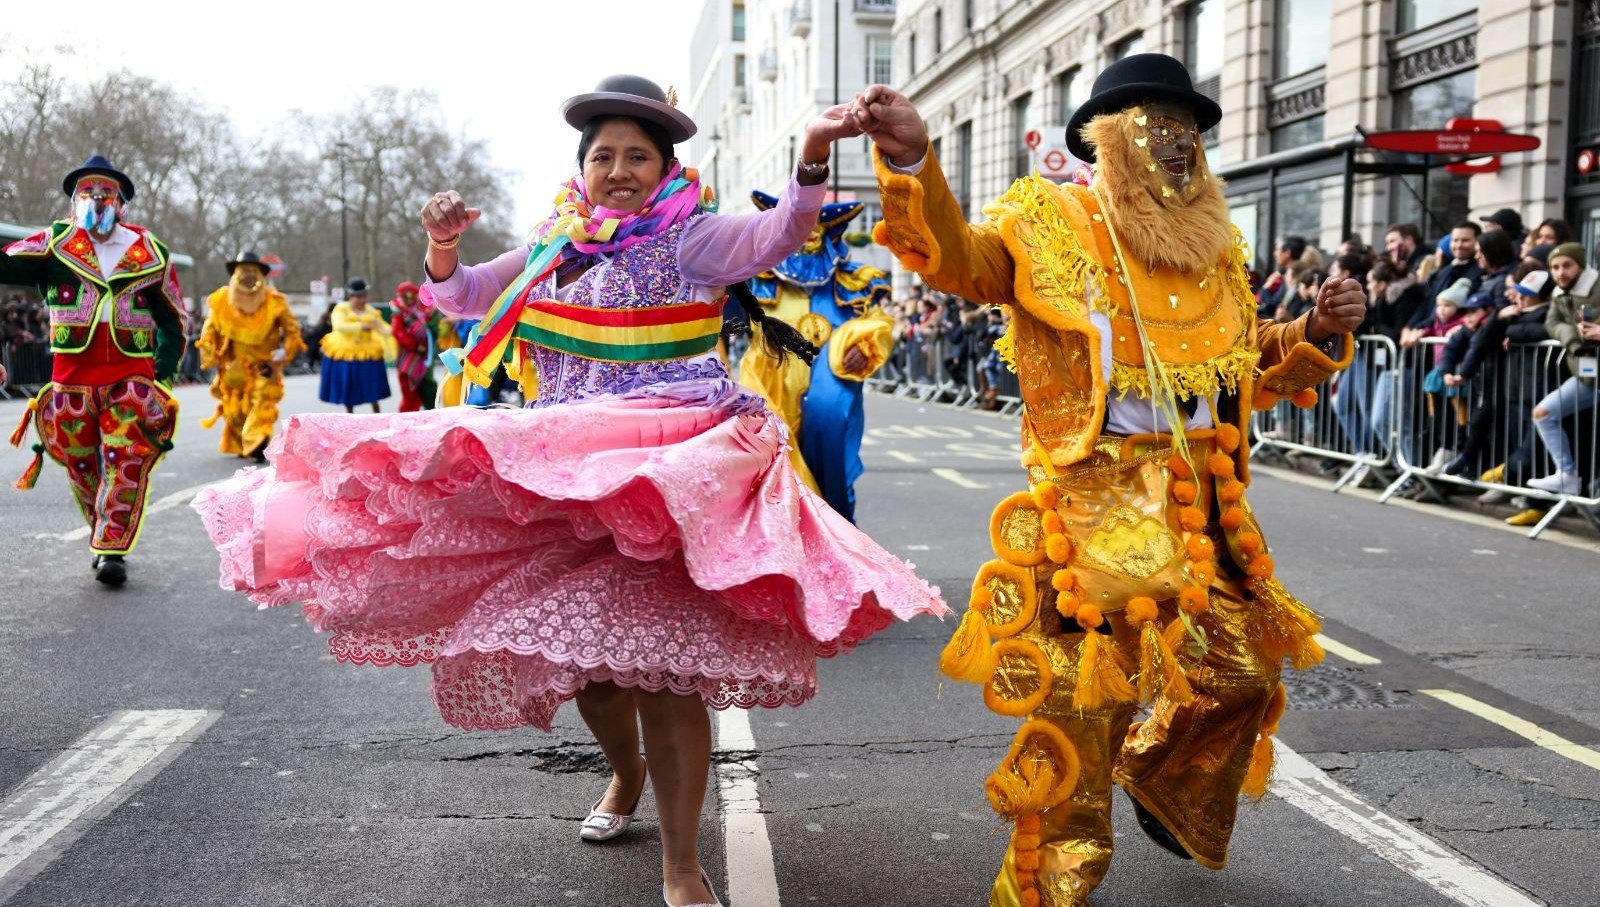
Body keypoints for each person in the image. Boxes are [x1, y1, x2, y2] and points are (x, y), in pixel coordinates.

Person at [191, 74, 945, 907]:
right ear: (582, 167)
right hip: (568, 479)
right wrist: (442, 248)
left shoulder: (693, 239)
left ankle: (683, 867)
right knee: (592, 674)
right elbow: (465, 297)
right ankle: (624, 776)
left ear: (665, 169)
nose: (618, 169)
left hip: (670, 480)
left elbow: (775, 236)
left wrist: (809, 158)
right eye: (603, 156)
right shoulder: (555, 246)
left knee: (663, 674)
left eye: (637, 156)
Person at [853, 53, 1364, 907]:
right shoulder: (1049, 219)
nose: (1176, 145)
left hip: (1204, 502)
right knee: (1081, 703)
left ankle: (1160, 776)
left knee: (1243, 673)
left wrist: (1311, 328)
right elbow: (958, 262)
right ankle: (1056, 881)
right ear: (1106, 139)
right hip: (1096, 504)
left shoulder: (1215, 249)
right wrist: (912, 162)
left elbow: (1236, 362)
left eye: (1189, 130)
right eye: (1155, 125)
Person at [1, 155, 185, 586]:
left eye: (106, 191)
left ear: (121, 202)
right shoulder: (54, 244)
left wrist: (163, 374)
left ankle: (111, 548)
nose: (97, 197)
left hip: (131, 381)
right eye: (87, 191)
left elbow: (173, 319)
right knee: (83, 466)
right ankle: (102, 530)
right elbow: (4, 264)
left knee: (125, 460)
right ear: (74, 199)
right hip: (70, 382)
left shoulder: (150, 252)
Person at [737, 191, 893, 519]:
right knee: (774, 469)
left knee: (832, 469)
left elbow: (877, 325)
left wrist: (862, 348)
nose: (805, 237)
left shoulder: (853, 283)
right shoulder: (756, 278)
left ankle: (835, 542)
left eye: (812, 228)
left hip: (830, 395)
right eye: (796, 227)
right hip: (772, 389)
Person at [196, 250, 305, 461]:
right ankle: (240, 442)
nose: (248, 275)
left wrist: (285, 351)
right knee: (235, 411)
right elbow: (209, 331)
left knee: (262, 401)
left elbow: (292, 330)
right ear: (235, 274)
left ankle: (257, 441)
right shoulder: (221, 300)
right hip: (233, 365)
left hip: (264, 364)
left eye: (253, 271)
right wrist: (209, 353)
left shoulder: (274, 301)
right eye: (243, 271)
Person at [1527, 242, 1600, 496]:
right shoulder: (1559, 294)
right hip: (1588, 373)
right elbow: (1552, 322)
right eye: (1555, 267)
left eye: (1567, 265)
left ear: (1581, 265)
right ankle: (1566, 476)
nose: (1561, 272)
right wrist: (1572, 338)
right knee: (1544, 413)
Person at [317, 277, 392, 412]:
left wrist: (389, 328)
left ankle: (377, 415)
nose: (363, 300)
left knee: (372, 386)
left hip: (367, 351)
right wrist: (362, 326)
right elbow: (339, 326)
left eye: (364, 296)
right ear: (351, 296)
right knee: (349, 386)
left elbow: (384, 328)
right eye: (359, 297)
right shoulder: (341, 309)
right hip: (346, 351)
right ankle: (350, 414)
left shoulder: (370, 310)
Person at [389, 281, 435, 412]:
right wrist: (415, 346)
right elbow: (398, 333)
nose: (410, 298)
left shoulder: (422, 308)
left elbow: (429, 328)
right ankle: (405, 419)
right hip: (407, 356)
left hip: (423, 357)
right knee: (409, 392)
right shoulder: (398, 311)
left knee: (424, 390)